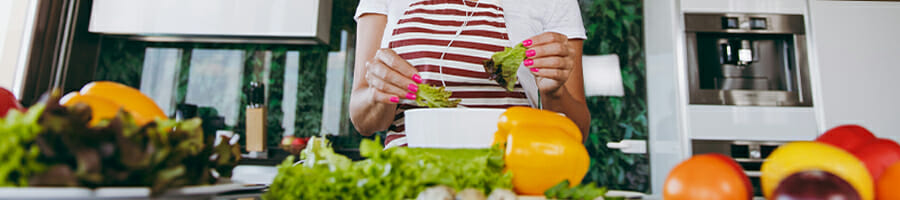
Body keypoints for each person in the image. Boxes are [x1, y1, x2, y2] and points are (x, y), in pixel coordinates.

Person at [350, 0, 590, 148]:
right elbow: (363, 121)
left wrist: (554, 93)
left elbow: (577, 133)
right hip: (409, 178)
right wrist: (378, 93)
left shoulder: (556, 3)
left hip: (514, 177)